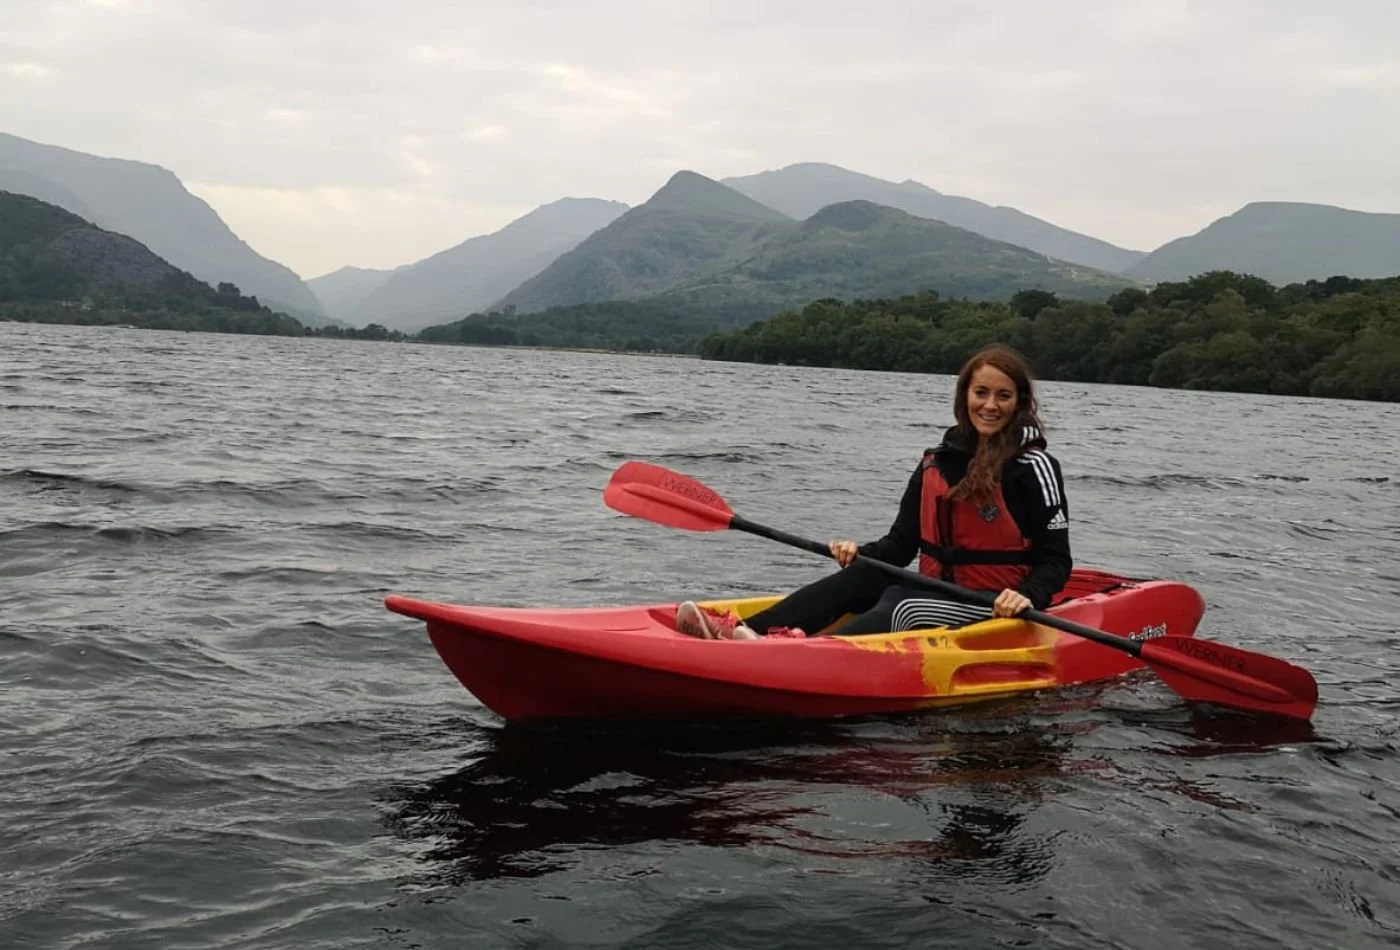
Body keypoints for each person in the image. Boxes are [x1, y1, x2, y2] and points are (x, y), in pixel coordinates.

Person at [674, 343, 1071, 640]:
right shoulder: (937, 461)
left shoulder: (1033, 467)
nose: (990, 405)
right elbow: (899, 547)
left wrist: (1027, 597)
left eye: (1003, 396)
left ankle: (800, 656)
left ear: (1019, 402)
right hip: (940, 587)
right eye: (980, 392)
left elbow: (1056, 561)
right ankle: (743, 632)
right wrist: (857, 553)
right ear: (964, 395)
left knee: (903, 603)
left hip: (993, 602)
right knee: (866, 575)